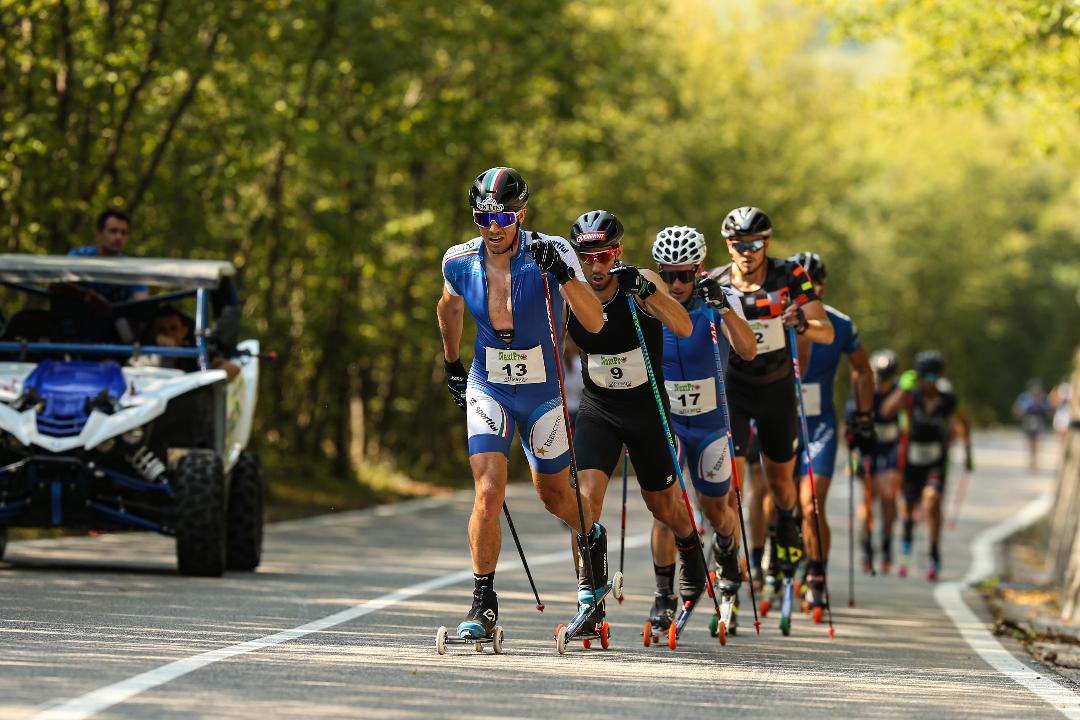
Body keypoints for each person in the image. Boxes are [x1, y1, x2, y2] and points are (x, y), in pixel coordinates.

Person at [437, 167, 605, 640]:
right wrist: (451, 364)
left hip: (543, 393)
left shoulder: (551, 250)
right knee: (489, 490)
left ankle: (591, 541)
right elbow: (447, 307)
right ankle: (482, 604)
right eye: (482, 218)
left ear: (521, 215)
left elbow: (592, 321)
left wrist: (565, 277)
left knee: (554, 496)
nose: (493, 228)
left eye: (503, 218)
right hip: (489, 386)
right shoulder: (458, 260)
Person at [564, 209, 715, 631]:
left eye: (604, 256)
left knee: (662, 505)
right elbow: (558, 341)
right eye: (586, 257)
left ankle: (690, 548)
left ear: (619, 252)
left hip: (647, 409)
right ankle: (590, 595)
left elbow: (683, 326)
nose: (595, 266)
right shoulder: (570, 289)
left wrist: (650, 291)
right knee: (583, 500)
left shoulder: (640, 279)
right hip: (599, 408)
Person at [708, 207, 834, 605]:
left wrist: (799, 323)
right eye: (739, 245)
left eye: (756, 244)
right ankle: (730, 562)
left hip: (777, 389)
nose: (748, 252)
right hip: (735, 390)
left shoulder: (789, 275)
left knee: (782, 485)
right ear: (729, 246)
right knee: (732, 488)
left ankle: (788, 526)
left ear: (768, 243)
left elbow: (824, 331)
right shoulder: (713, 281)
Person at [645, 225, 756, 629]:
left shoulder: (718, 299)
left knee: (716, 509)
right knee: (665, 509)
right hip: (668, 423)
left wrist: (725, 307)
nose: (675, 284)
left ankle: (727, 554)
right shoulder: (650, 302)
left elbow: (747, 349)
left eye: (684, 275)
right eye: (667, 273)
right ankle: (663, 595)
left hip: (710, 425)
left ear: (700, 270)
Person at [787, 252, 874, 612]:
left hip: (819, 425)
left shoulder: (838, 324)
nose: (808, 291)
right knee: (776, 500)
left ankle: (816, 573)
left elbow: (863, 370)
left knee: (812, 506)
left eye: (814, 284)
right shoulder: (773, 321)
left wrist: (863, 415)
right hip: (781, 420)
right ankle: (773, 565)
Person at [883, 350, 973, 580]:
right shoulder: (911, 396)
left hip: (936, 458)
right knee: (908, 506)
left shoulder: (947, 399)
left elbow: (961, 422)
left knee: (932, 502)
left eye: (934, 378)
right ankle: (906, 543)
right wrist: (902, 389)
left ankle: (934, 554)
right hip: (911, 459)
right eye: (926, 378)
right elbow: (886, 411)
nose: (929, 383)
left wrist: (967, 450)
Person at [864, 349, 902, 574]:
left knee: (888, 497)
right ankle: (866, 548)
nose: (881, 383)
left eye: (885, 378)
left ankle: (886, 545)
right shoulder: (865, 386)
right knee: (869, 500)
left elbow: (895, 415)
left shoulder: (901, 392)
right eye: (878, 377)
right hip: (868, 449)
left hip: (890, 450)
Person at [134, 304, 240, 380]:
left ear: (184, 331)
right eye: (161, 330)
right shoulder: (143, 355)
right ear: (154, 333)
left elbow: (232, 368)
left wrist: (207, 379)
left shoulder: (196, 354)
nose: (168, 334)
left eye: (173, 328)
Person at [68, 209, 150, 303]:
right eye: (113, 231)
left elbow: (143, 302)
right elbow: (58, 285)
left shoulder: (130, 268)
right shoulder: (80, 256)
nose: (119, 237)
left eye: (123, 233)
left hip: (117, 317)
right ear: (99, 234)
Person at [1013, 379, 1051, 472]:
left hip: (1039, 421)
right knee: (1030, 442)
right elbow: (1017, 409)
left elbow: (1047, 410)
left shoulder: (1043, 398)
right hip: (1028, 420)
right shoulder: (1024, 397)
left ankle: (1035, 461)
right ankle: (1031, 459)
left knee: (1037, 441)